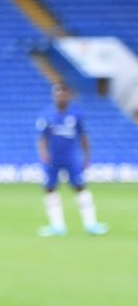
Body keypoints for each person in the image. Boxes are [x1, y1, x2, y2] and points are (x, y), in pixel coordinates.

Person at [36, 82, 107, 237]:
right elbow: (42, 138)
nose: (61, 96)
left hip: (71, 159)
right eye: (58, 93)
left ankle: (91, 224)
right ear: (54, 96)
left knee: (80, 187)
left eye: (63, 93)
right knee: (50, 188)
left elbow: (83, 137)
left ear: (68, 96)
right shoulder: (47, 115)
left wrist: (87, 156)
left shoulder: (76, 115)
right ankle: (57, 226)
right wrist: (43, 153)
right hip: (53, 160)